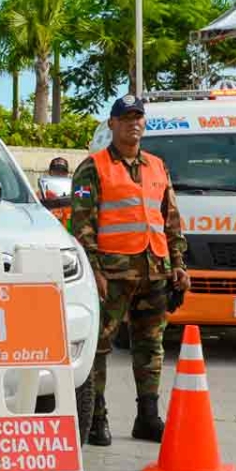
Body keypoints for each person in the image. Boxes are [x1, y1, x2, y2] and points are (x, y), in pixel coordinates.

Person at [71, 94, 189, 446]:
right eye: (126, 118)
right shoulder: (93, 167)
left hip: (154, 270)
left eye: (138, 117)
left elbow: (170, 220)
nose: (133, 123)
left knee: (151, 346)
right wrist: (94, 271)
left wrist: (179, 265)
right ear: (112, 124)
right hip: (112, 274)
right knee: (99, 347)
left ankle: (148, 417)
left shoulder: (157, 165)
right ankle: (97, 419)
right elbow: (82, 225)